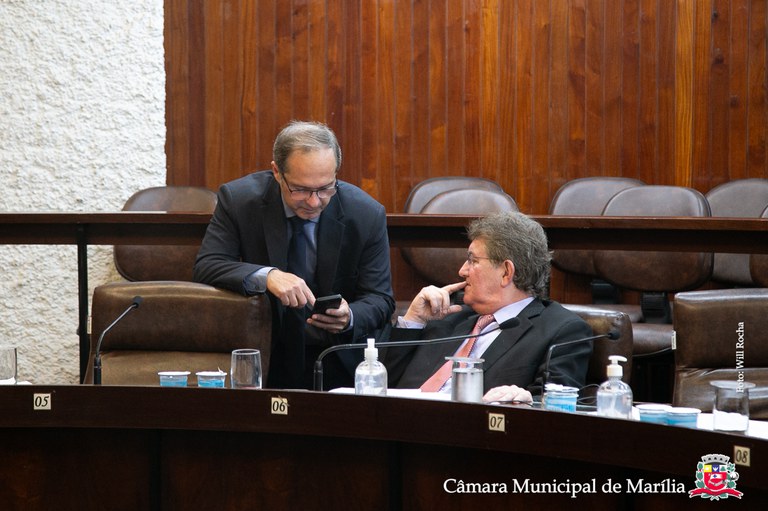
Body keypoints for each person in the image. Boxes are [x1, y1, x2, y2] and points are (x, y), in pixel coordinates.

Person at [194, 120, 395, 389]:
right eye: (300, 189)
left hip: (336, 357)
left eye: (325, 188)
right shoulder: (239, 200)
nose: (314, 201)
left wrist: (350, 316)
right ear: (277, 172)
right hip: (264, 351)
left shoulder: (365, 213)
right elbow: (208, 264)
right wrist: (267, 276)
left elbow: (380, 298)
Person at [384, 211, 593, 403]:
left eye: (472, 261)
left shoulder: (562, 330)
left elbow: (559, 405)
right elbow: (384, 382)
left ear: (506, 272)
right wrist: (413, 321)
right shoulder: (450, 317)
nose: (462, 271)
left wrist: (527, 399)